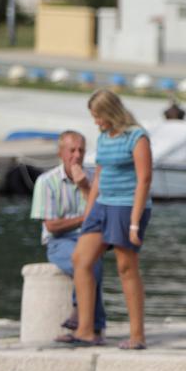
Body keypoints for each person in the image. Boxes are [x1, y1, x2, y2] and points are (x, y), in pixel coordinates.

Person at [59, 90, 152, 350]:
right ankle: (86, 330)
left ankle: (137, 335)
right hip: (102, 204)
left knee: (126, 267)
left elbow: (144, 180)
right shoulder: (103, 137)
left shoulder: (137, 137)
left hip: (126, 206)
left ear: (111, 112)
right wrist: (89, 215)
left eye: (98, 116)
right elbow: (98, 176)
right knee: (81, 258)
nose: (96, 122)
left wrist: (134, 222)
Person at [30, 131, 105, 335]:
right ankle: (91, 320)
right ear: (61, 153)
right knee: (83, 260)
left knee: (91, 257)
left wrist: (85, 187)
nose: (77, 155)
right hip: (59, 241)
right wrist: (84, 219)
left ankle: (82, 315)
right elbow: (52, 226)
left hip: (88, 237)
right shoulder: (46, 182)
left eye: (81, 150)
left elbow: (102, 215)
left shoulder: (91, 179)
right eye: (72, 150)